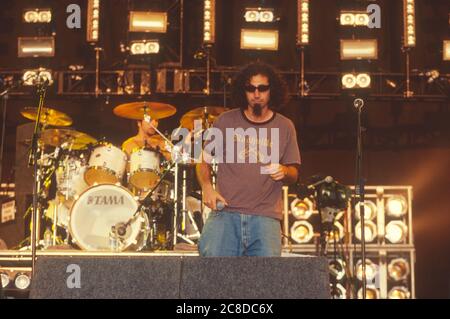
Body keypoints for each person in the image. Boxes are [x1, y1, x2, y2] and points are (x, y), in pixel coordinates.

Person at [196, 62, 301, 257]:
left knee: (265, 283)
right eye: (250, 88)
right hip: (225, 213)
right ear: (243, 91)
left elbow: (294, 173)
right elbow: (203, 161)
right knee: (210, 277)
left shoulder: (285, 126)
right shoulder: (225, 121)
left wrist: (285, 172)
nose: (256, 94)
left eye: (262, 88)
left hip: (266, 218)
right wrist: (207, 188)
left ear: (272, 90)